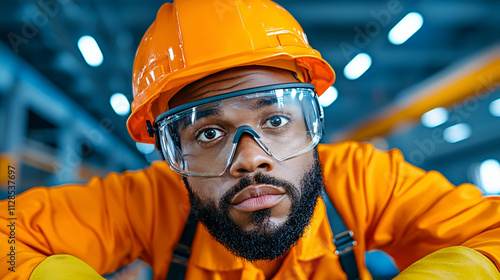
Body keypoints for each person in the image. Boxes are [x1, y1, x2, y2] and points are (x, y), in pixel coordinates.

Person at [1, 0, 499, 279]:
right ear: (173, 155)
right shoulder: (151, 201)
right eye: (210, 132)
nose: (250, 159)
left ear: (311, 127)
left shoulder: (365, 180)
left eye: (276, 121)